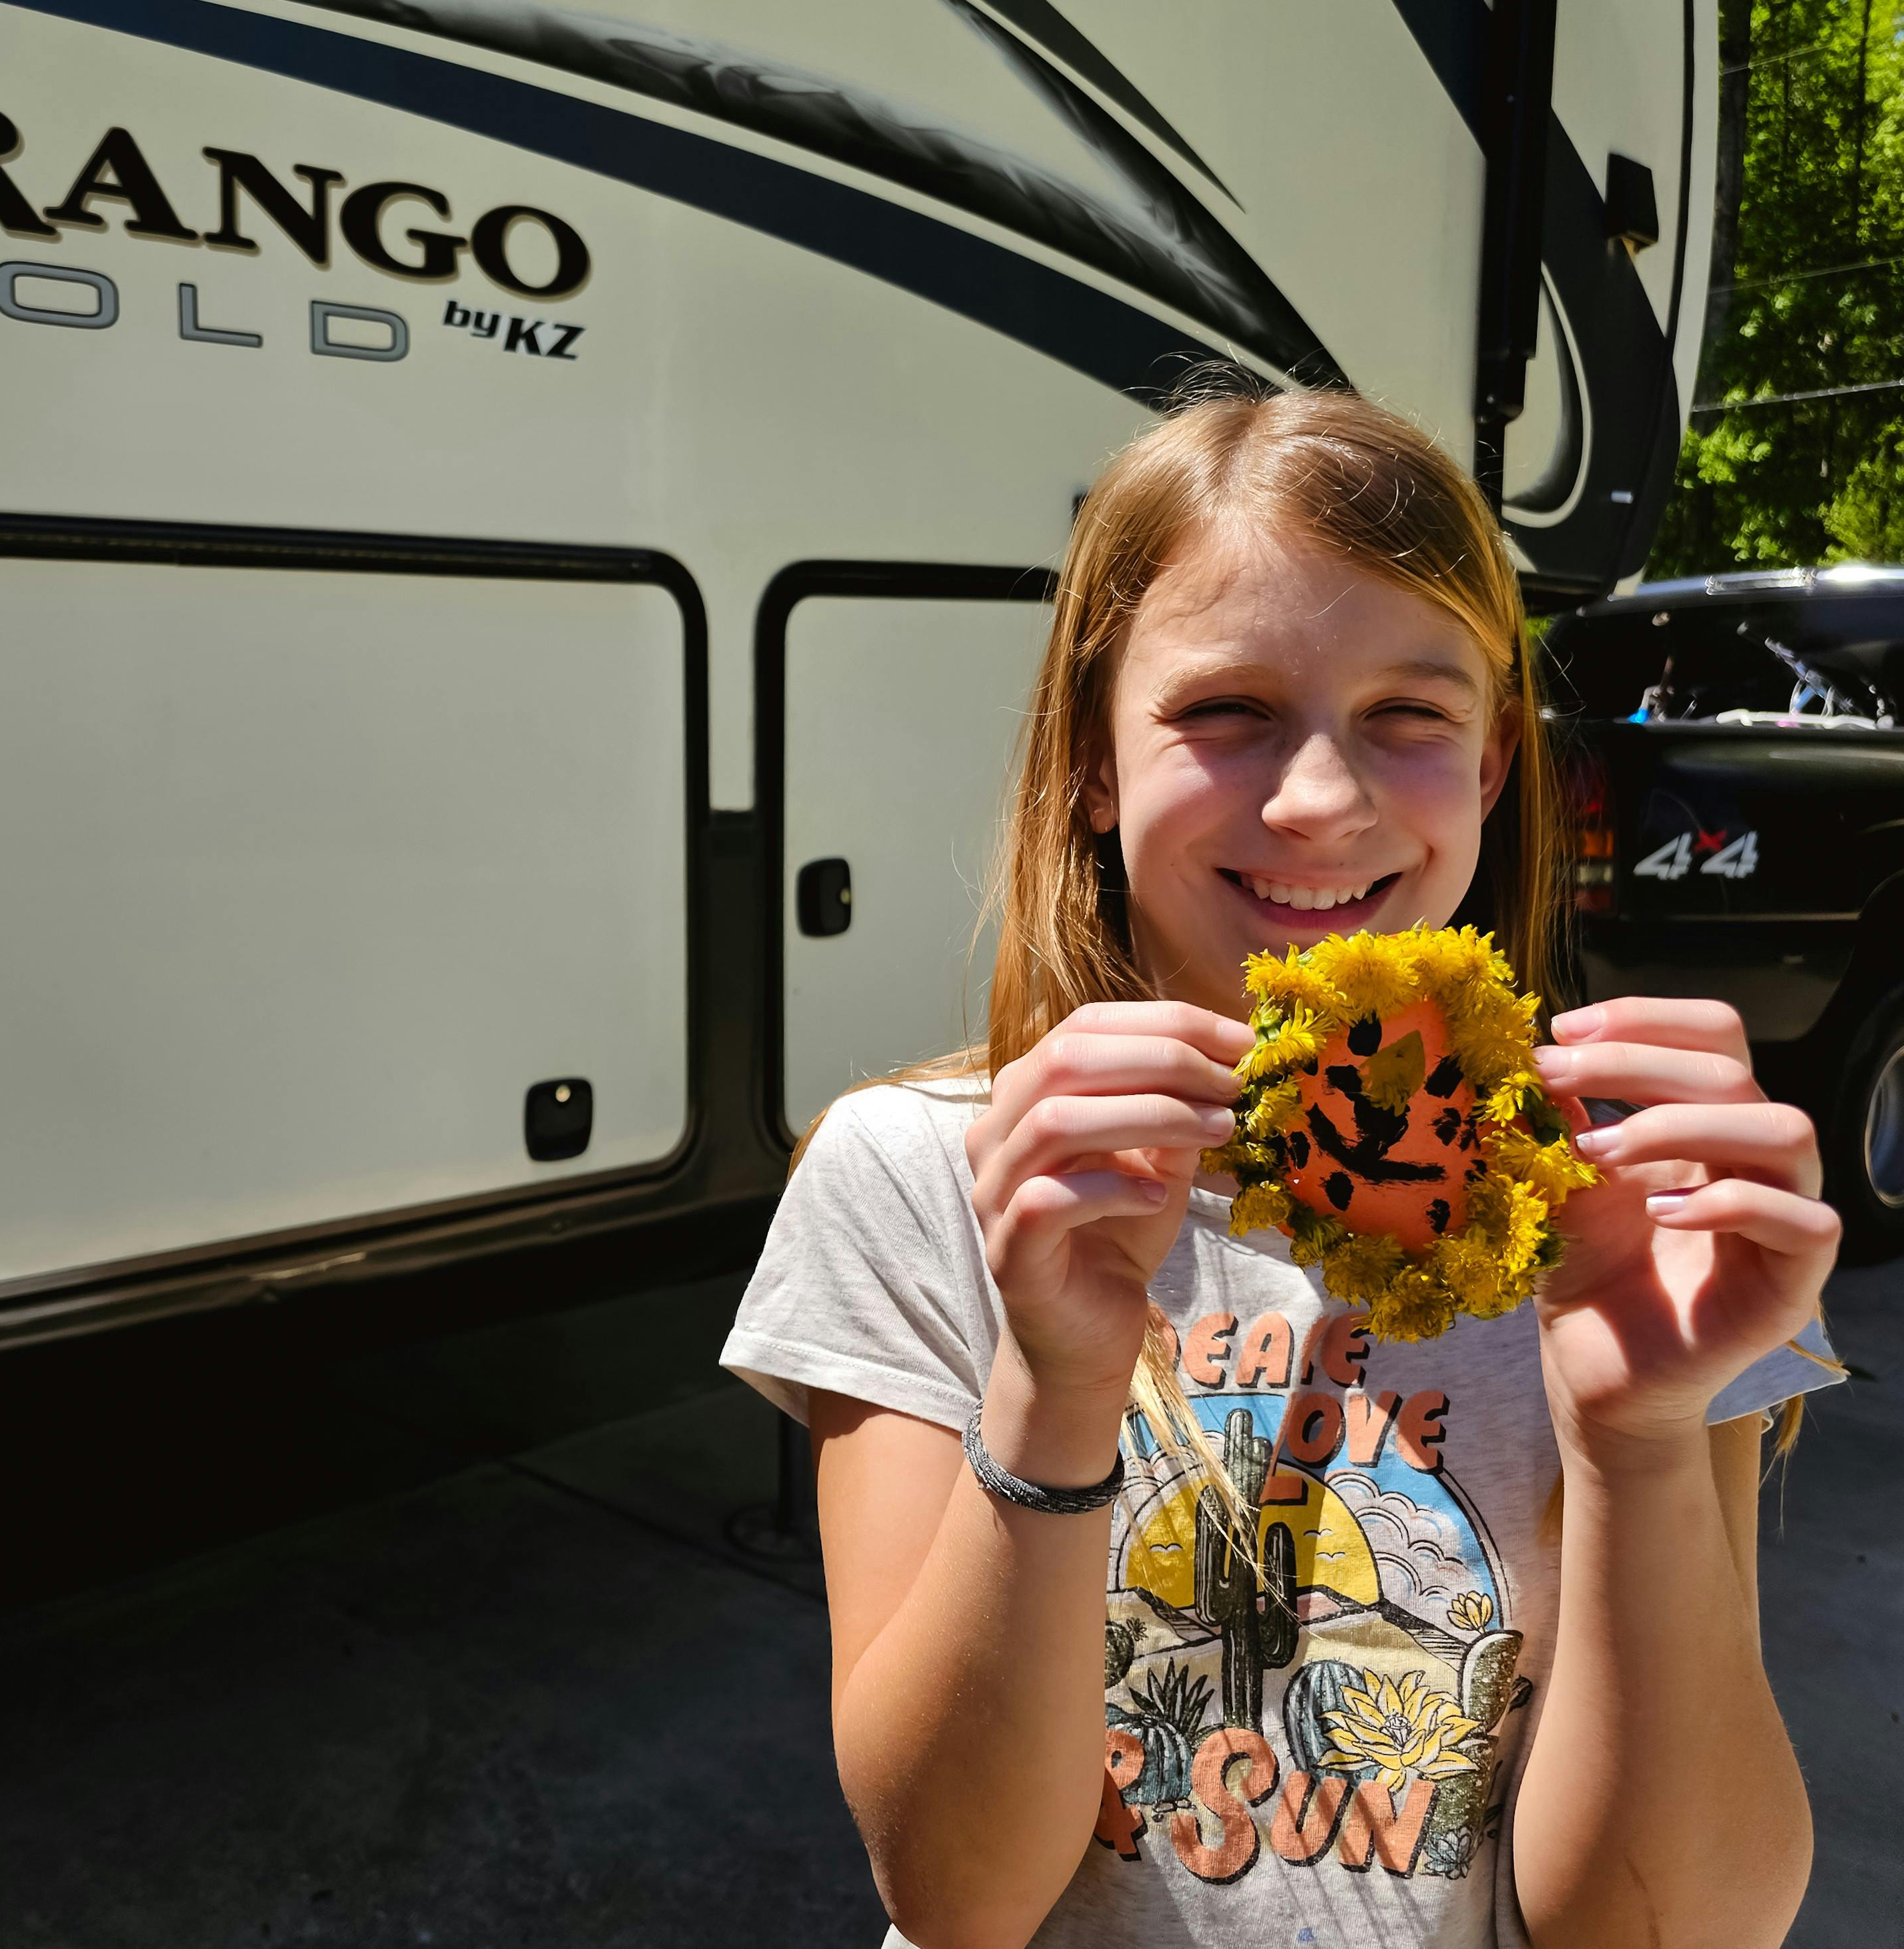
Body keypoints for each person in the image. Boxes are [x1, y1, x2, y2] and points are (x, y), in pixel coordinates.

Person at [722, 389, 1839, 1949]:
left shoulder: (1623, 1205)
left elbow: (1675, 1929)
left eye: (1408, 714)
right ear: (1092, 768)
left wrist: (1641, 1434)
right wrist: (1047, 1394)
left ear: (1495, 761)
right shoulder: (924, 1173)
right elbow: (955, 1892)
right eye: (1223, 710)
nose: (1318, 800)